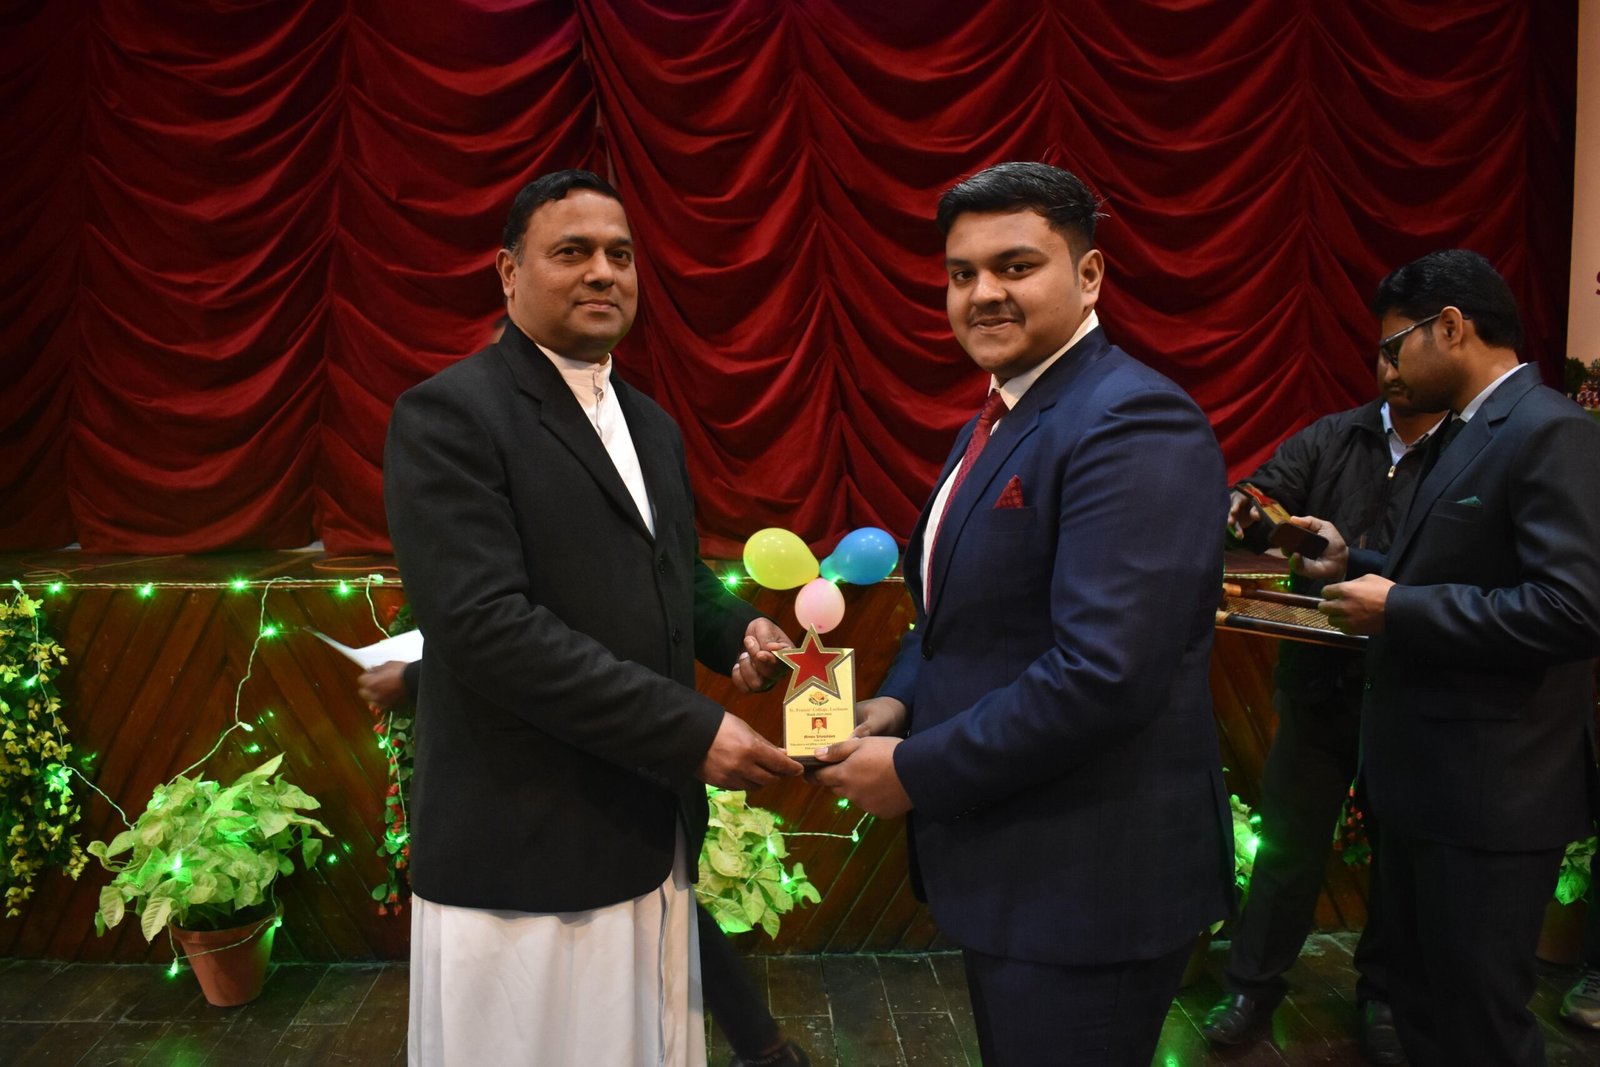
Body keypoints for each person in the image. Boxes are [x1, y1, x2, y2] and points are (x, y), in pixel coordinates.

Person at [813, 161, 1233, 1066]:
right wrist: (899, 701)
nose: (983, 294)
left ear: (1090, 274)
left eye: (1015, 266)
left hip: (1090, 879)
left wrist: (915, 769)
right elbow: (956, 609)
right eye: (962, 273)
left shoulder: (1132, 418)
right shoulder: (1006, 412)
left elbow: (1105, 674)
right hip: (1019, 865)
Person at [384, 169, 805, 1066]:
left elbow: (672, 576)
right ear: (509, 272)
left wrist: (737, 630)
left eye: (620, 254)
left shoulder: (651, 423)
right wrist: (692, 728)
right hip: (527, 848)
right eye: (571, 252)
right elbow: (488, 629)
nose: (603, 272)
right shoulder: (449, 415)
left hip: (646, 831)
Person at [1295, 249, 1600, 1065]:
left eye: (1395, 345)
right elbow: (1455, 568)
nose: (1388, 368)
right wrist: (1354, 561)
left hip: (1491, 798)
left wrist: (1397, 607)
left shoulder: (1551, 431)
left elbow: (1571, 609)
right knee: (1426, 1014)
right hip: (1430, 790)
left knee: (1480, 1028)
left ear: (1453, 327)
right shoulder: (1464, 431)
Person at [355, 656, 809, 1067]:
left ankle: (763, 1044)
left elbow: (509, 637)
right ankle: (764, 1044)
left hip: (571, 778)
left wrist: (413, 677)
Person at [1200, 353, 1445, 1063]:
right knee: (1287, 842)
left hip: (1415, 681)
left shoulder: (1469, 447)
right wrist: (1249, 514)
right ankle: (1251, 988)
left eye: (1407, 348)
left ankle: (1385, 997)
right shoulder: (1333, 435)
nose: (1392, 366)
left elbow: (1456, 567)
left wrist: (1359, 562)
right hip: (1318, 680)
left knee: (1402, 851)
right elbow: (1261, 502)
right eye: (1383, 350)